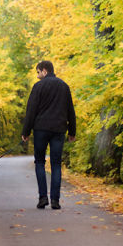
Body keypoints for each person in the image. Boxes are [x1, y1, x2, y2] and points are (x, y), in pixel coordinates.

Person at [21, 60, 76, 209]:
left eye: (38, 72)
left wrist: (26, 132)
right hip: (59, 129)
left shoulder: (38, 87)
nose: (38, 76)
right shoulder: (64, 86)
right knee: (56, 164)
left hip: (41, 129)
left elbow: (31, 111)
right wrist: (72, 131)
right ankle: (55, 200)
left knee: (39, 162)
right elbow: (70, 110)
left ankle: (43, 197)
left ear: (44, 70)